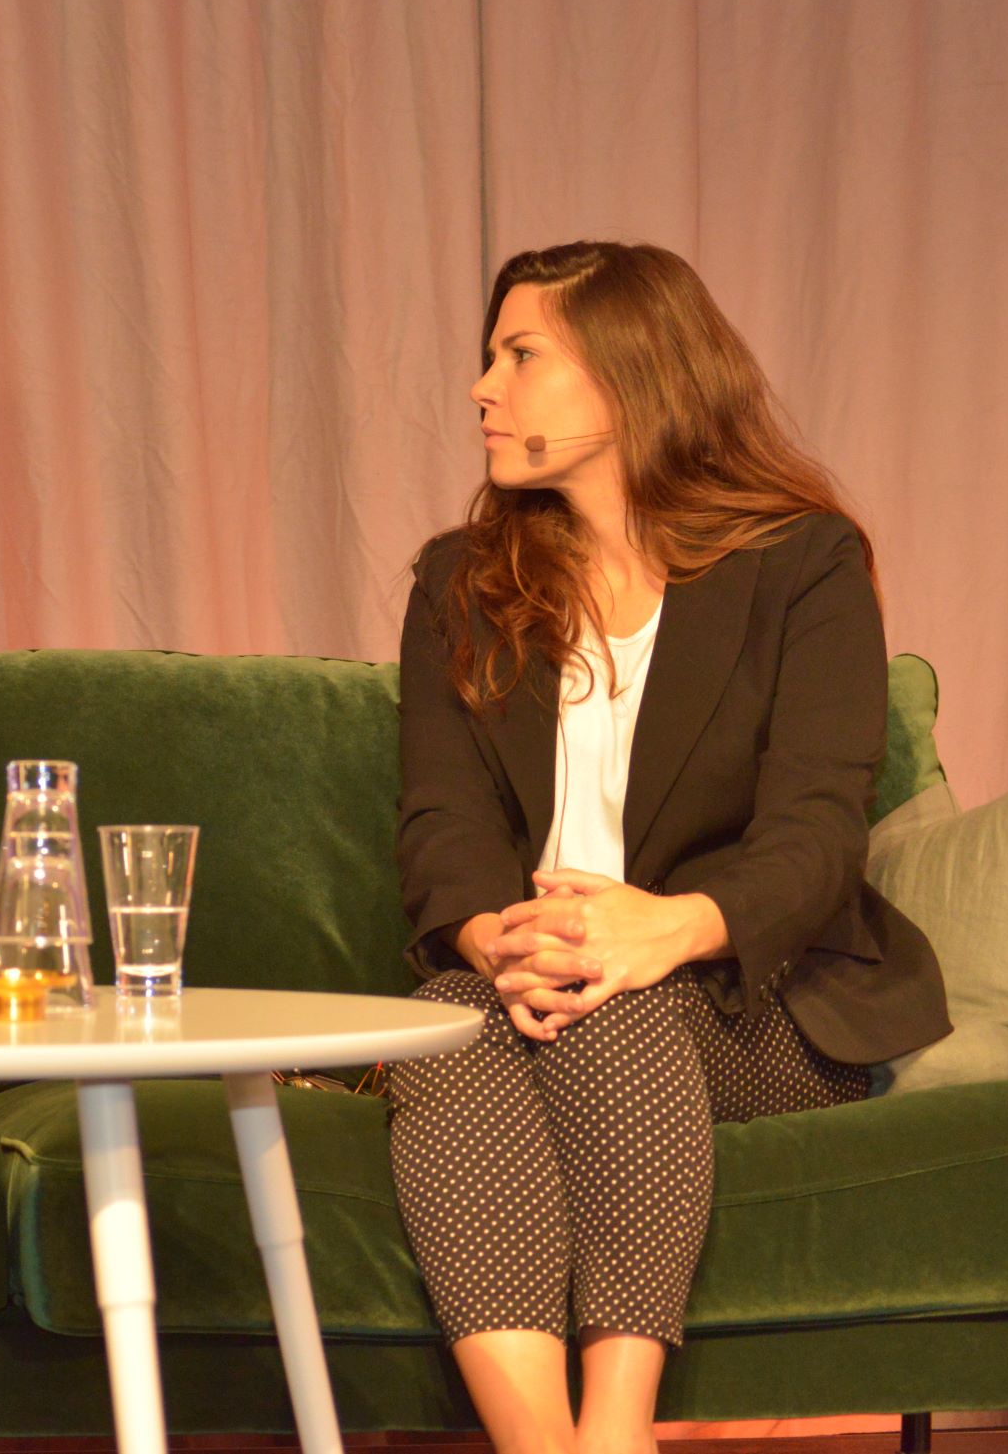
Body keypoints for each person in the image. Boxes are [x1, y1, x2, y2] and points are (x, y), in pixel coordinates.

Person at [387, 242, 948, 1454]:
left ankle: (615, 1426)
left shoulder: (800, 565)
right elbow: (442, 824)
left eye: (520, 355)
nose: (483, 385)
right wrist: (498, 939)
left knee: (618, 1001)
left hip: (756, 999)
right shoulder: (461, 581)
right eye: (490, 355)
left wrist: (662, 927)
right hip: (528, 984)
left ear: (629, 374)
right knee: (444, 1032)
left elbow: (815, 833)